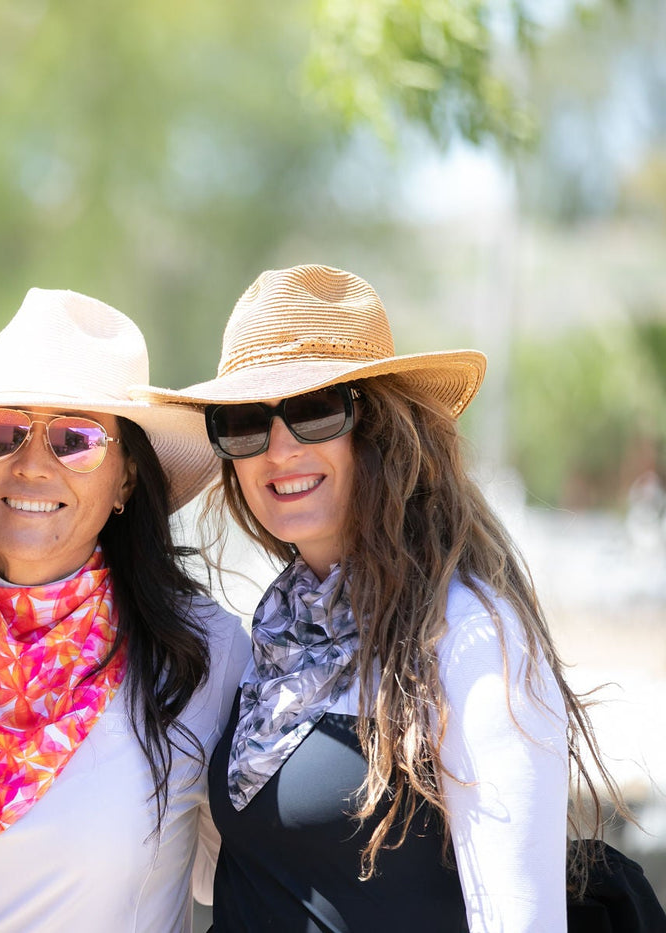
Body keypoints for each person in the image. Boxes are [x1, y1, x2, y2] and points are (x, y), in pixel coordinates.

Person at [137, 264, 622, 932]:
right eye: (245, 421)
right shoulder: (276, 634)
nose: (279, 449)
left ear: (382, 425)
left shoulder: (470, 632)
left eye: (312, 410)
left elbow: (518, 915)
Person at [0, 288, 249, 932]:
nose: (32, 466)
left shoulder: (203, 652)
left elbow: (260, 878)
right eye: (2, 433)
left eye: (75, 439)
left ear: (126, 477)